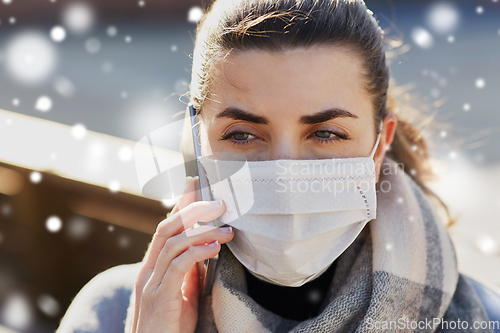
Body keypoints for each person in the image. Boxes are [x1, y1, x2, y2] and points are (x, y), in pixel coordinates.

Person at [57, 0, 500, 332]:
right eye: (242, 135)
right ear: (196, 142)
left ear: (379, 143)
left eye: (326, 134)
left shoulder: (482, 319)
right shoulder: (115, 313)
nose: (285, 175)